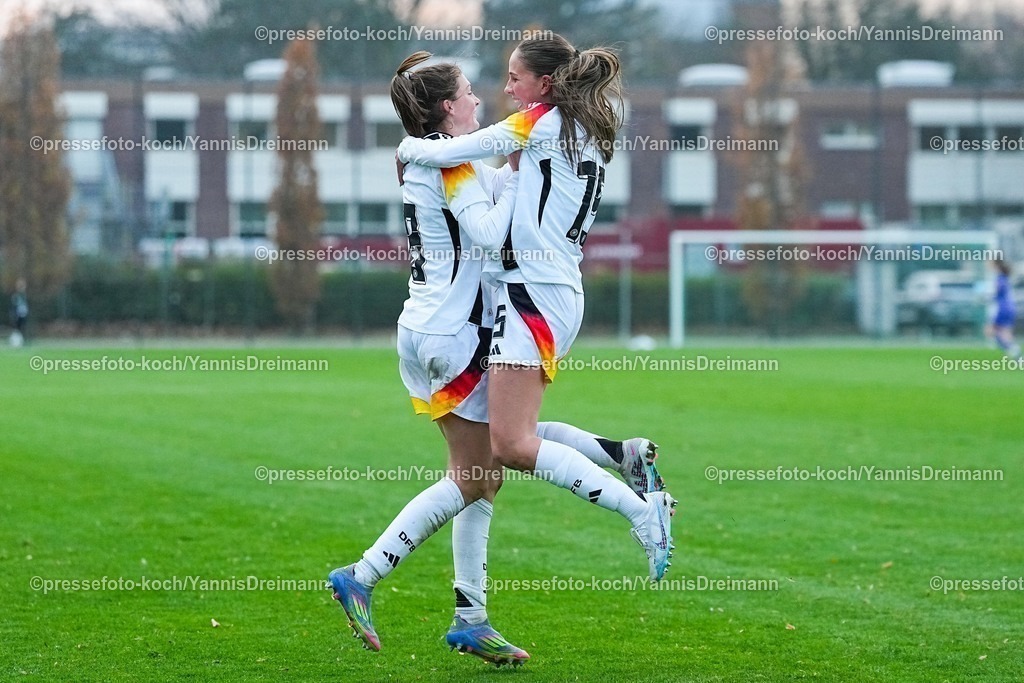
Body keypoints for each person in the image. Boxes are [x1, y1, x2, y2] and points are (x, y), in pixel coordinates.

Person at [329, 51, 666, 668]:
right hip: (450, 333)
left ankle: (470, 617)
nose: (482, 99)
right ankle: (364, 575)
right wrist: (519, 180)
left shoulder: (452, 158)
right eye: (467, 94)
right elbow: (488, 233)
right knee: (485, 466)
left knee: (491, 466)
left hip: (439, 328)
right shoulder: (446, 161)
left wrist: (517, 173)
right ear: (445, 108)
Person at [397, 35, 676, 594]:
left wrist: (409, 151)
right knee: (507, 436)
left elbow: (457, 151)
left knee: (514, 446)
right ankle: (621, 456)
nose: (506, 90)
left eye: (514, 78)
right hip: (540, 290)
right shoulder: (573, 129)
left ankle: (644, 511)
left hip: (536, 294)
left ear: (543, 85)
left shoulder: (543, 122)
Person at [986, 259, 1020, 360]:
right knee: (1005, 332)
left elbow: (997, 293)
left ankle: (1012, 349)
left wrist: (985, 298)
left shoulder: (1000, 278)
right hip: (1010, 307)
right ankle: (1015, 353)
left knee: (990, 331)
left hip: (1002, 308)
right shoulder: (1005, 277)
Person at [9, 278, 28, 347]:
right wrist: (14, 315)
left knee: (21, 328)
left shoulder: (24, 295)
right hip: (17, 315)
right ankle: (15, 341)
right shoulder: (16, 296)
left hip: (23, 314)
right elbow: (14, 306)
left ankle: (19, 341)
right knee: (16, 328)